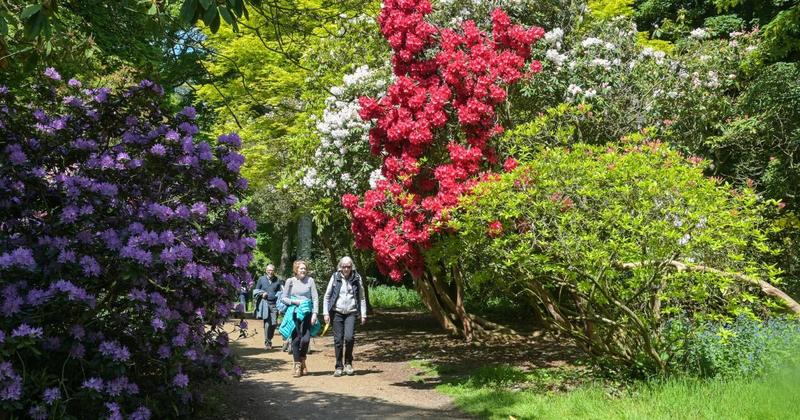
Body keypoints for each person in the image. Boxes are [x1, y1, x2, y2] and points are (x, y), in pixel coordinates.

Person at [323, 256, 367, 377]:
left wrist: (363, 314)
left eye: (348, 266)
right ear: (340, 267)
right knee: (338, 340)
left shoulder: (357, 278)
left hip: (351, 312)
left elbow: (362, 297)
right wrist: (326, 313)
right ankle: (338, 366)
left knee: (349, 338)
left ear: (352, 267)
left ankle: (348, 363)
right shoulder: (335, 277)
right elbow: (327, 296)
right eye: (344, 266)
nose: (346, 269)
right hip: (337, 312)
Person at [281, 260, 319, 377]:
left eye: (304, 269)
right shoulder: (290, 281)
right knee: (296, 340)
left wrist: (315, 313)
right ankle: (298, 365)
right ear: (296, 270)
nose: (303, 270)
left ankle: (302, 359)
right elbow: (284, 298)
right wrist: (296, 302)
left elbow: (315, 298)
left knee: (306, 339)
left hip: (307, 313)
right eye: (301, 268)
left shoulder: (310, 281)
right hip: (294, 313)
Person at [252, 264, 283, 349]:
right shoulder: (261, 279)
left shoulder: (277, 280)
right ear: (266, 271)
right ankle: (267, 342)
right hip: (264, 304)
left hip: (274, 305)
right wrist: (262, 293)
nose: (270, 272)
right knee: (267, 323)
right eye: (269, 270)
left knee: (273, 324)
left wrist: (280, 307)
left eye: (272, 270)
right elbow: (255, 291)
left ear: (274, 271)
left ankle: (269, 338)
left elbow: (280, 294)